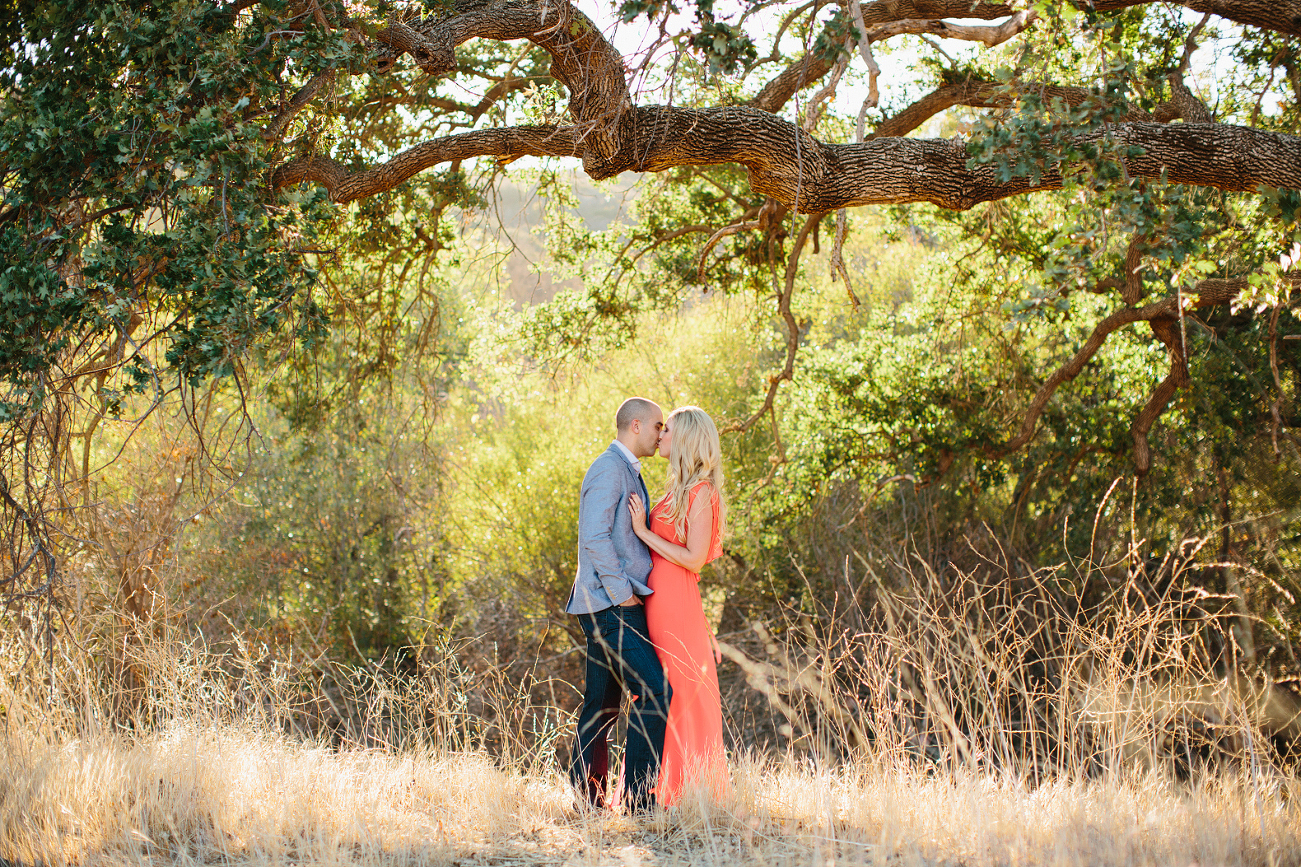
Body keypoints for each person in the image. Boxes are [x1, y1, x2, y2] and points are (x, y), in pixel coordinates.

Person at [566, 397, 672, 814]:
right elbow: (593, 537)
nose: (661, 434)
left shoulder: (624, 468)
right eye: (657, 426)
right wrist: (621, 593)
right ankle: (639, 805)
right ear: (635, 425)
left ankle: (588, 805)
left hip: (605, 604)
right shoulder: (609, 468)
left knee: (602, 705)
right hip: (610, 605)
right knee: (654, 692)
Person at [627, 406, 728, 806]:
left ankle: (690, 793)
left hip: (674, 606)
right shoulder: (677, 489)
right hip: (663, 603)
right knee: (659, 690)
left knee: (683, 691)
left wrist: (641, 532)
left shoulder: (702, 491)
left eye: (666, 429)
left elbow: (693, 559)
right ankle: (657, 788)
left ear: (684, 437)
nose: (660, 435)